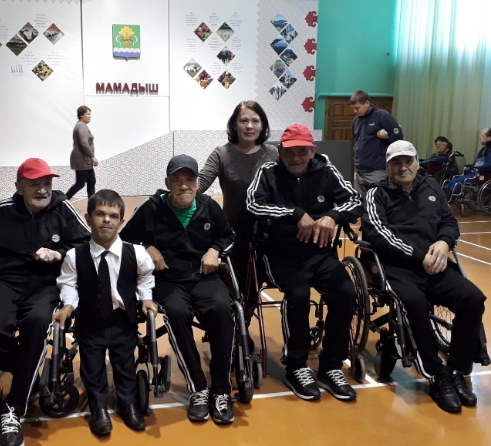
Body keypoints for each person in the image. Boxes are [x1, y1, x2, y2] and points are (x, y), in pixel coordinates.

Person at [0, 158, 90, 446]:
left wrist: (58, 254)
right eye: (34, 184)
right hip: (6, 280)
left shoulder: (63, 208)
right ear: (19, 187)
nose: (43, 189)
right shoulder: (4, 210)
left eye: (47, 183)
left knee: (37, 323)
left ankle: (13, 408)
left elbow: (86, 244)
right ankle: (27, 369)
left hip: (46, 283)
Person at [362, 140, 486, 413]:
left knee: (473, 299)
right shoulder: (376, 194)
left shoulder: (431, 187)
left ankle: (456, 370)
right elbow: (378, 235)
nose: (403, 167)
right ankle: (436, 374)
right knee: (415, 304)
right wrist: (420, 256)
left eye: (408, 161)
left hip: (436, 265)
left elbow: (449, 222)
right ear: (388, 167)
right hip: (397, 269)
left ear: (417, 163)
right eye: (396, 163)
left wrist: (443, 243)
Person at [246, 124, 362, 402]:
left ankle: (331, 365)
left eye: (302, 151)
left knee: (346, 293)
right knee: (298, 294)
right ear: (280, 151)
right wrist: (294, 214)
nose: (296, 157)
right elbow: (253, 204)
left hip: (320, 253)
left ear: (312, 151)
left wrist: (333, 216)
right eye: (290, 152)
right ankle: (296, 366)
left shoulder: (327, 171)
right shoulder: (267, 172)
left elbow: (356, 201)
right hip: (279, 253)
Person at [121, 154, 237, 425]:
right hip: (168, 279)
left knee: (223, 309)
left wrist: (214, 250)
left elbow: (228, 236)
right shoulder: (151, 208)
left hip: (204, 277)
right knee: (176, 312)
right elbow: (126, 239)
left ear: (198, 183)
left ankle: (221, 390)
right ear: (167, 183)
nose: (184, 185)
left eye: (190, 179)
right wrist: (148, 247)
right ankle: (199, 388)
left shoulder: (209, 206)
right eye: (177, 180)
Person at [55, 189, 157, 436]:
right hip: (91, 322)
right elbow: (68, 284)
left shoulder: (137, 253)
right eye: (100, 214)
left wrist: (146, 298)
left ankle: (128, 404)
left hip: (123, 320)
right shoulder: (74, 256)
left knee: (125, 364)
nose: (106, 220)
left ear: (121, 222)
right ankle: (98, 408)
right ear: (88, 218)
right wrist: (68, 306)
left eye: (113, 215)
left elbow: (145, 276)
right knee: (92, 368)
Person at [198, 101, 278, 285]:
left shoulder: (272, 153)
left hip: (266, 231)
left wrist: (319, 161)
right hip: (233, 231)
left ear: (262, 125)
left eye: (255, 121)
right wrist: (180, 187)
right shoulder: (221, 154)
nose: (250, 126)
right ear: (234, 125)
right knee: (235, 287)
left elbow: (293, 175)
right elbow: (201, 183)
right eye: (243, 121)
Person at [350, 90, 404, 193]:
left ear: (367, 103)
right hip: (359, 169)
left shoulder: (382, 116)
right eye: (353, 108)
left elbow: (398, 138)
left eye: (357, 108)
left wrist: (387, 138)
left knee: (378, 198)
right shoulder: (356, 121)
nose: (355, 111)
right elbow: (357, 140)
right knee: (360, 200)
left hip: (378, 169)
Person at [444, 128, 491, 201]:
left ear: (489, 138)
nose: (479, 137)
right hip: (475, 173)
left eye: (482, 136)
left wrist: (476, 168)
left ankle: (449, 199)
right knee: (453, 180)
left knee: (457, 181)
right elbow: (476, 162)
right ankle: (443, 198)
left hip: (482, 174)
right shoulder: (484, 149)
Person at [66, 105, 98, 199]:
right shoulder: (81, 126)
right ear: (81, 115)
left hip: (84, 160)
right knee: (80, 183)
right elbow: (84, 143)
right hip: (83, 160)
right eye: (87, 114)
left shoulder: (80, 125)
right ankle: (62, 200)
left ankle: (92, 204)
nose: (90, 116)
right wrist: (92, 156)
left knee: (91, 181)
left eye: (90, 114)